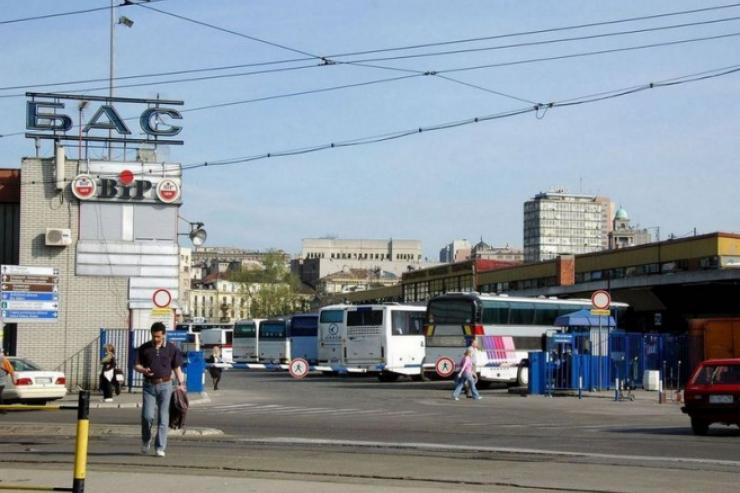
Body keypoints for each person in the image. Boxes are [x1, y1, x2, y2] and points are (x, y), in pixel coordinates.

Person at [135, 322, 186, 458]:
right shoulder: (144, 348)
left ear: (163, 335)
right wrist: (143, 369)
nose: (156, 339)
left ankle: (160, 447)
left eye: (158, 336)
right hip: (149, 386)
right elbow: (137, 366)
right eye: (153, 336)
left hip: (166, 385)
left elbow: (177, 368)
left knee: (163, 418)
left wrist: (181, 384)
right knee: (147, 416)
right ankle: (146, 440)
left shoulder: (171, 348)